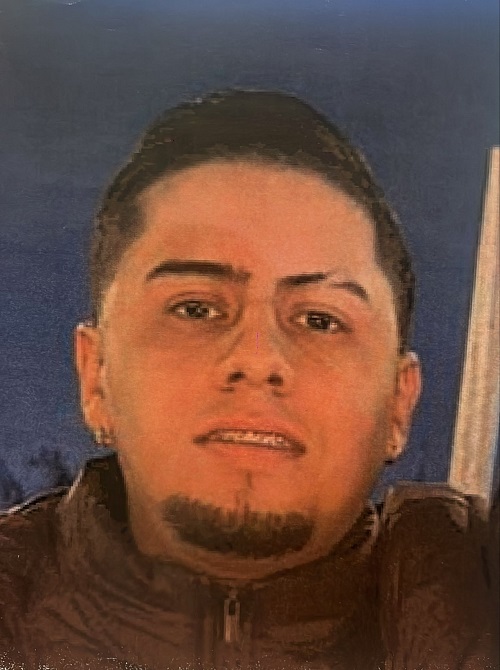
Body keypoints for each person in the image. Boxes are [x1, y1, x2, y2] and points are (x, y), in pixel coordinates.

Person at [0, 90, 496, 670]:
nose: (258, 358)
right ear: (96, 374)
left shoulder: (475, 601)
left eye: (319, 320)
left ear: (399, 404)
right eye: (195, 309)